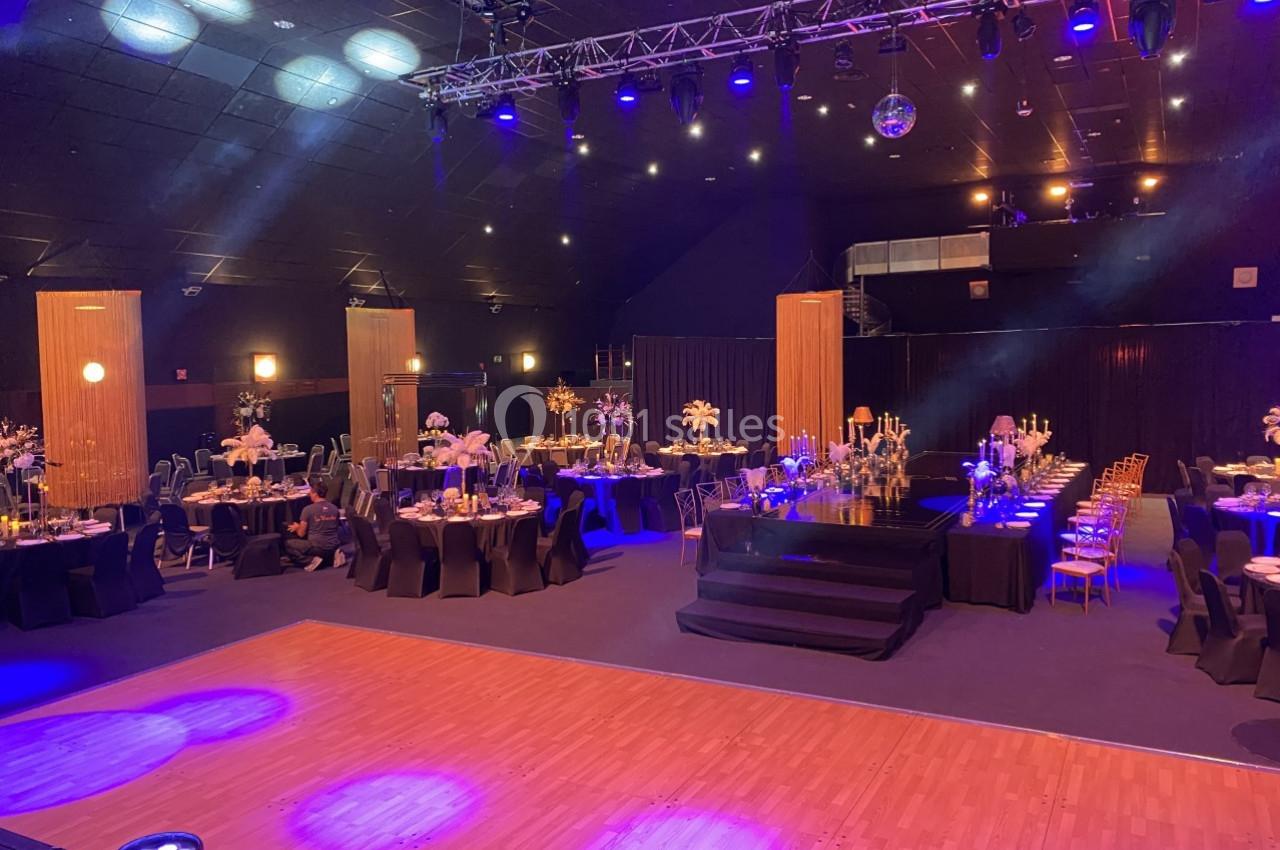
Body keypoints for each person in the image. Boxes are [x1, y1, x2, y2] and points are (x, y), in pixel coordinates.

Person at [285, 480, 341, 571]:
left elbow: (301, 534)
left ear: (315, 494)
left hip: (317, 547)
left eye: (310, 492)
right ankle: (332, 557)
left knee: (288, 544)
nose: (309, 495)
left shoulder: (308, 510)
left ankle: (310, 560)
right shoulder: (335, 508)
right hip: (333, 545)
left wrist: (297, 527)